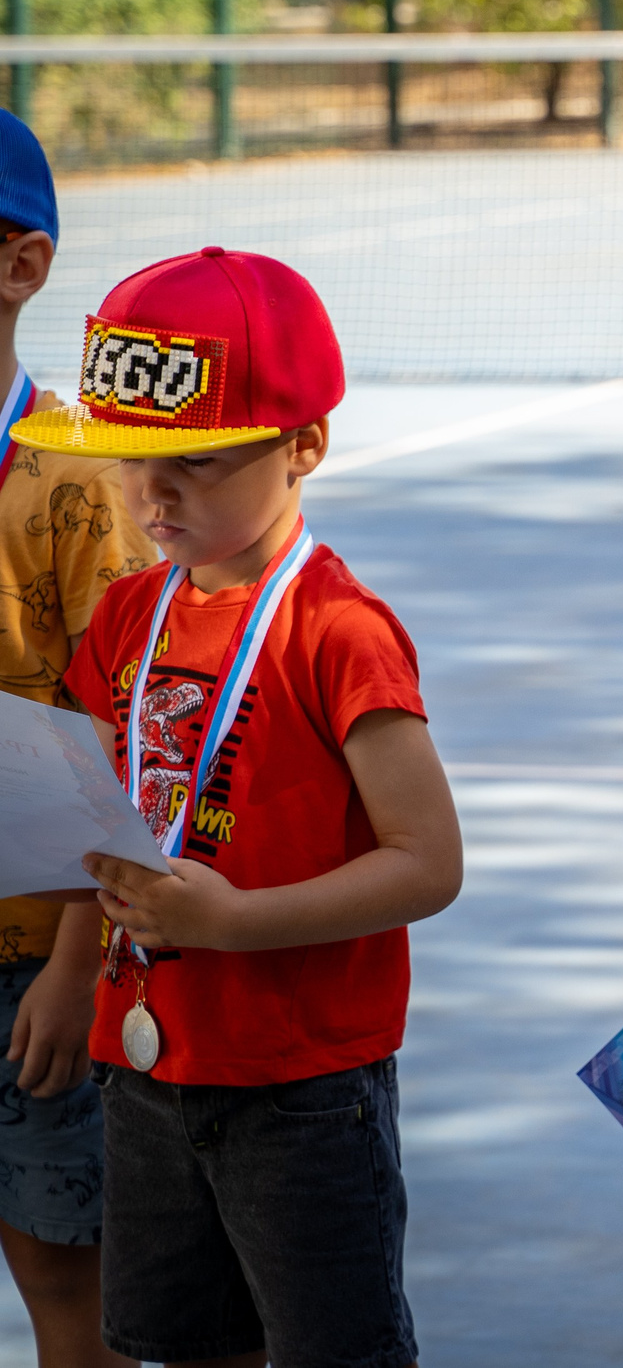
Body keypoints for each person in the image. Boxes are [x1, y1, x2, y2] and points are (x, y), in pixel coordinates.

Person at [11, 246, 464, 1368]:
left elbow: (428, 862)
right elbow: (101, 825)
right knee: (188, 1344)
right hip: (146, 1064)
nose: (151, 494)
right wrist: (75, 969)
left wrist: (233, 923)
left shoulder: (339, 630)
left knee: (328, 1351)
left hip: (300, 1085)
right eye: (129, 462)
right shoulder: (128, 616)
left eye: (197, 464)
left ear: (305, 444)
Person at [0, 110, 153, 1368]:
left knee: (67, 1286)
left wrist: (74, 962)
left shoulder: (74, 486)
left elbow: (118, 740)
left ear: (21, 266)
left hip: (32, 968)